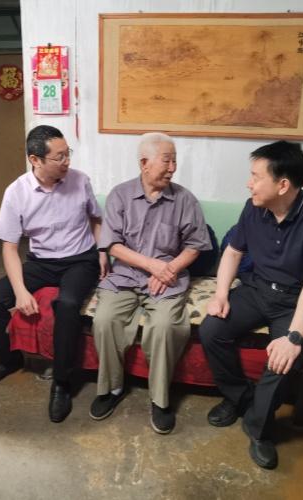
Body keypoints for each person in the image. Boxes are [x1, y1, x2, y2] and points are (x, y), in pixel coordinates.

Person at [199, 140, 303, 469]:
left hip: (294, 299)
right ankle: (239, 398)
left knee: (283, 359)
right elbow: (233, 252)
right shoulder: (254, 207)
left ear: (283, 184)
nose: (249, 183)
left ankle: (258, 428)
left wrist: (294, 337)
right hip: (257, 289)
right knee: (211, 329)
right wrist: (221, 294)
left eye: (256, 176)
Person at [0, 125, 107, 423]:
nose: (67, 161)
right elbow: (10, 248)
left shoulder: (80, 181)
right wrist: (21, 291)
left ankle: (62, 382)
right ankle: (10, 360)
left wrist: (102, 252)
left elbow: (96, 219)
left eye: (67, 153)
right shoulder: (16, 192)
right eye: (59, 157)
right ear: (35, 160)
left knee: (67, 304)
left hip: (79, 260)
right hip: (41, 262)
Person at [90, 132, 211, 434]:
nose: (173, 167)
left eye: (175, 160)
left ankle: (160, 399)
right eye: (166, 160)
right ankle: (112, 388)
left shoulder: (185, 200)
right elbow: (112, 245)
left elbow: (195, 245)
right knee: (105, 320)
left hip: (167, 278)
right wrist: (151, 265)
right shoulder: (120, 195)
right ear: (144, 163)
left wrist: (168, 269)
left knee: (165, 326)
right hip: (126, 276)